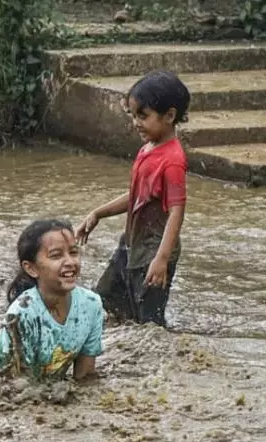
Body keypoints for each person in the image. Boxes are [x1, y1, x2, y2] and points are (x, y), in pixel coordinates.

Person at [77, 70, 190, 327]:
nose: (136, 123)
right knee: (105, 300)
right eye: (133, 115)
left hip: (153, 250)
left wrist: (161, 259)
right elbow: (137, 196)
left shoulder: (172, 160)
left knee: (150, 323)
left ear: (170, 116)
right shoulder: (148, 149)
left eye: (143, 115)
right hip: (130, 244)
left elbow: (176, 211)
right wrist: (98, 213)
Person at [0, 219, 104, 381]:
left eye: (73, 252)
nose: (70, 262)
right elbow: (16, 385)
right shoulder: (21, 314)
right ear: (31, 268)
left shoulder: (91, 304)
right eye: (56, 256)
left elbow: (85, 376)